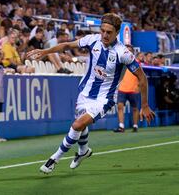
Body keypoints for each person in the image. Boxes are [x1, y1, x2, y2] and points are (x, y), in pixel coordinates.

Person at [26, 13, 155, 174]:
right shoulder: (92, 39)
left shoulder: (123, 53)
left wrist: (144, 105)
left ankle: (54, 159)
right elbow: (67, 45)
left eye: (109, 32)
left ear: (116, 33)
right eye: (103, 31)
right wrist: (46, 51)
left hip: (104, 99)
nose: (105, 35)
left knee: (77, 125)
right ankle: (84, 151)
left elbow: (142, 77)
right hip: (84, 93)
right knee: (81, 124)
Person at [114, 44, 141, 133]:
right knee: (120, 106)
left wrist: (139, 86)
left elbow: (142, 77)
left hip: (134, 89)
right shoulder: (120, 62)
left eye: (129, 50)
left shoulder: (137, 63)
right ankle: (121, 126)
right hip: (122, 89)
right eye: (126, 50)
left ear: (132, 52)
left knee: (135, 108)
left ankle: (135, 126)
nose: (127, 52)